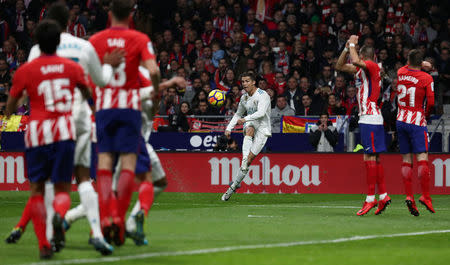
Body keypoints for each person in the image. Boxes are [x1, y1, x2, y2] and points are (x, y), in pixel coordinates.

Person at [5, 3, 122, 255]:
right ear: (69, 21)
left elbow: (27, 87)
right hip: (76, 119)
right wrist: (110, 64)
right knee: (82, 179)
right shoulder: (84, 46)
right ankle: (97, 234)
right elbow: (99, 82)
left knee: (44, 184)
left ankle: (47, 237)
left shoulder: (36, 51)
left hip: (43, 123)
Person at [3, 20, 91, 259]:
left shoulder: (25, 71)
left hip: (37, 133)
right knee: (62, 188)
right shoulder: (70, 67)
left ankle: (43, 244)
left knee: (37, 190)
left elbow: (11, 106)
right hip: (63, 131)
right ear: (58, 42)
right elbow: (87, 92)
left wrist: (14, 107)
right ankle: (61, 216)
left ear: (37, 42)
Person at [89, 0, 160, 246]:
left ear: (109, 13)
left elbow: (88, 76)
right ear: (131, 14)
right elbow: (153, 70)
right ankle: (119, 221)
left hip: (106, 107)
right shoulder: (140, 39)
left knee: (105, 161)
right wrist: (157, 90)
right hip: (130, 107)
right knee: (129, 164)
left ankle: (106, 219)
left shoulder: (96, 40)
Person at [335, 35, 390, 216]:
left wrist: (352, 44)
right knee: (375, 159)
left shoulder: (373, 66)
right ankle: (383, 196)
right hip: (369, 118)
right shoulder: (361, 70)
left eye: (358, 56)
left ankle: (370, 199)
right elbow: (339, 66)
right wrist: (345, 49)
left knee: (369, 159)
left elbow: (356, 60)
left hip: (370, 117)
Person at [396, 49, 435, 216]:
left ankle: (409, 196)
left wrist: (418, 63)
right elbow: (431, 102)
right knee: (422, 158)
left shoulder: (400, 72)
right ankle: (425, 196)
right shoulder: (427, 77)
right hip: (416, 120)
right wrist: (425, 115)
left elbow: (408, 66)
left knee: (406, 160)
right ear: (421, 63)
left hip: (400, 119)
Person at [221, 72, 271, 201]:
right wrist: (229, 127)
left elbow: (260, 113)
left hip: (263, 128)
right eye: (243, 82)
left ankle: (232, 188)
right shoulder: (243, 98)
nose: (244, 84)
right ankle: (243, 160)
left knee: (249, 162)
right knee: (249, 128)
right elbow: (238, 114)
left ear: (254, 82)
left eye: (247, 81)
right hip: (251, 123)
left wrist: (245, 118)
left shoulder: (263, 95)